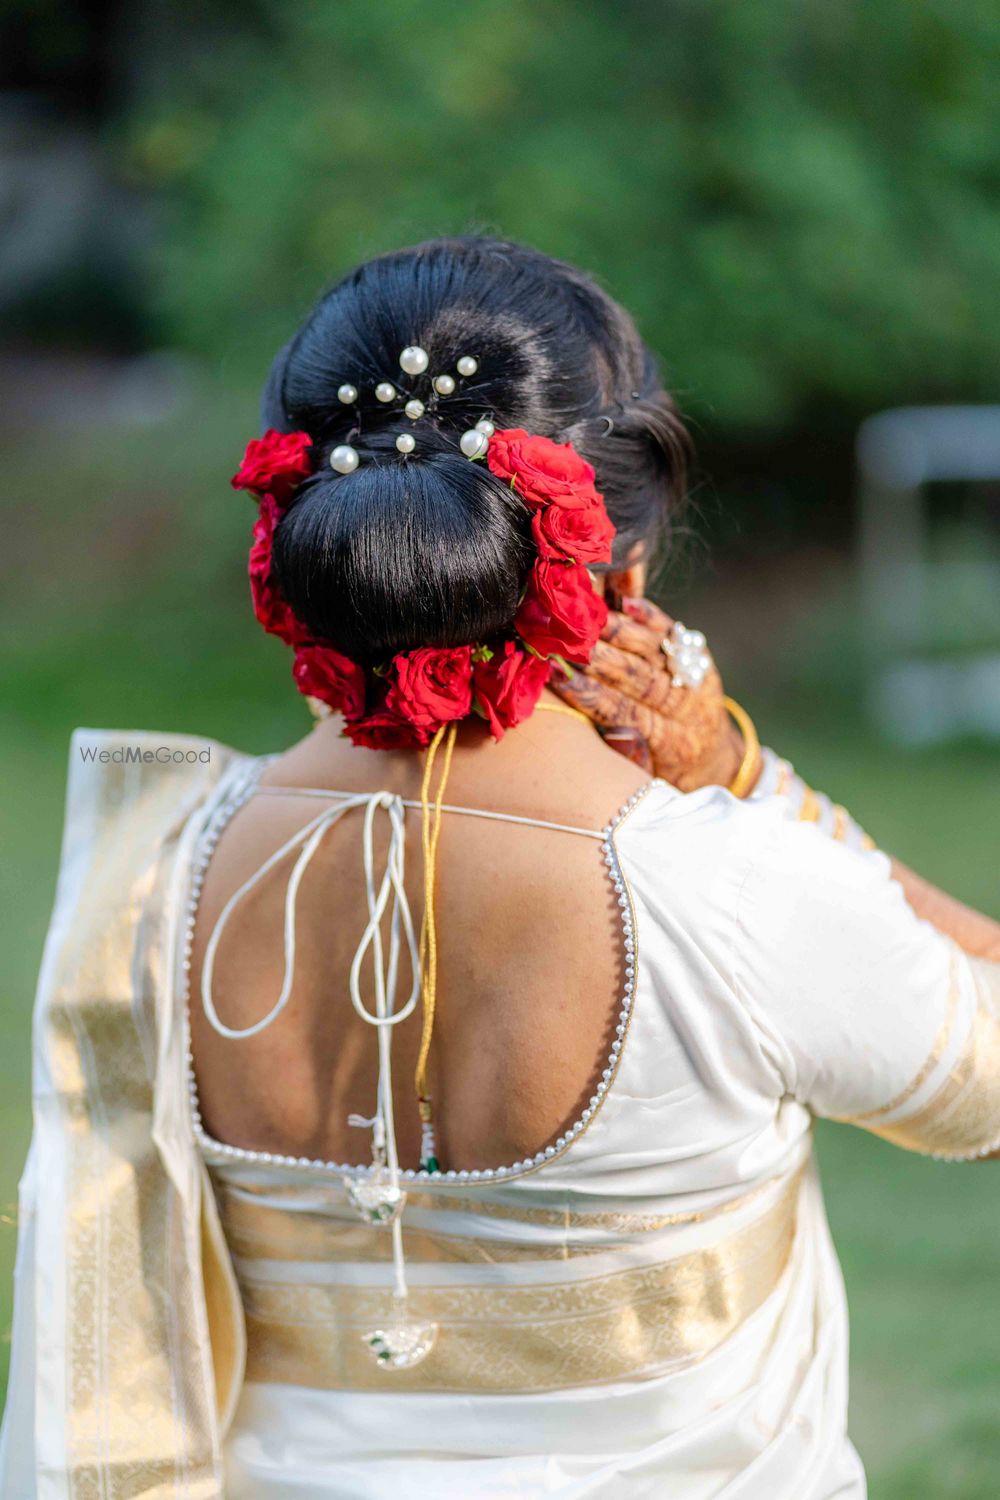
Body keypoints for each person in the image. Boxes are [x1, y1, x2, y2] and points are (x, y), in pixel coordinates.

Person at [2, 237, 998, 1500]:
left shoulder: (146, 881)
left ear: (305, 548)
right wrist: (745, 775)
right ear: (621, 574)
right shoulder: (731, 890)